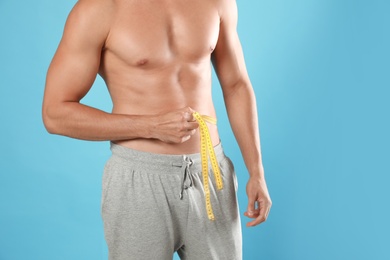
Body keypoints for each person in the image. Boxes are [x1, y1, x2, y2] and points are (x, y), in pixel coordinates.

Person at [42, 0, 272, 259]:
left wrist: (256, 171)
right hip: (139, 179)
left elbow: (236, 85)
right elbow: (55, 113)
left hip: (210, 172)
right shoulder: (100, 8)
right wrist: (150, 126)